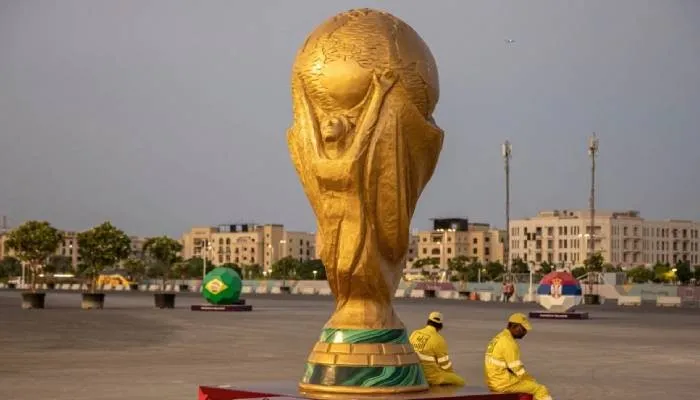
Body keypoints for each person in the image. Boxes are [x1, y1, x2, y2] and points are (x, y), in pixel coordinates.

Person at [484, 313, 552, 400]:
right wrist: (531, 380)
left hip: (493, 381)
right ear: (514, 326)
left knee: (528, 385)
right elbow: (518, 370)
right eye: (523, 329)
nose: (525, 332)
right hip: (503, 383)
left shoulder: (498, 337)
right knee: (540, 389)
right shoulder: (509, 343)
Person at [409, 311, 466, 387]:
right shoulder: (439, 340)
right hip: (430, 377)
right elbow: (445, 365)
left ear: (428, 322)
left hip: (413, 372)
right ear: (440, 326)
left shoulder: (415, 333)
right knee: (460, 381)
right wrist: (451, 374)